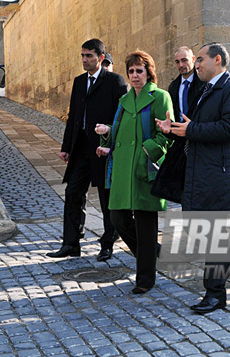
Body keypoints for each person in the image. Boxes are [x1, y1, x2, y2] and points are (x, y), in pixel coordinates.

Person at [157, 42, 230, 313]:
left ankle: (215, 294)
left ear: (217, 60)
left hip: (221, 176)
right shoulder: (207, 90)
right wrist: (172, 129)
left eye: (200, 59)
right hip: (201, 173)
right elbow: (192, 128)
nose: (196, 65)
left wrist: (191, 129)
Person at [95, 50, 173, 294]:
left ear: (148, 72)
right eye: (131, 71)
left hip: (144, 170)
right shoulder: (124, 101)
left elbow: (165, 135)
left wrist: (146, 152)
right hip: (121, 170)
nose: (135, 75)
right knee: (117, 217)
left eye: (139, 70)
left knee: (145, 224)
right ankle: (151, 253)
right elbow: (119, 133)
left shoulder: (160, 97)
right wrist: (107, 136)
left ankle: (145, 279)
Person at [48, 39, 128, 261]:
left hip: (102, 149)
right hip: (80, 149)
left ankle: (108, 243)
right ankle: (71, 244)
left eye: (89, 56)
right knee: (72, 192)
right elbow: (73, 116)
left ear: (101, 58)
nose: (84, 60)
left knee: (106, 197)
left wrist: (111, 144)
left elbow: (121, 118)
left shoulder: (115, 81)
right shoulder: (78, 81)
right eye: (82, 56)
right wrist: (66, 147)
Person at [167, 46, 204, 122]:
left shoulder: (203, 83)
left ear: (193, 59)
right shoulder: (173, 87)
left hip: (198, 129)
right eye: (177, 62)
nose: (180, 65)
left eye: (184, 60)